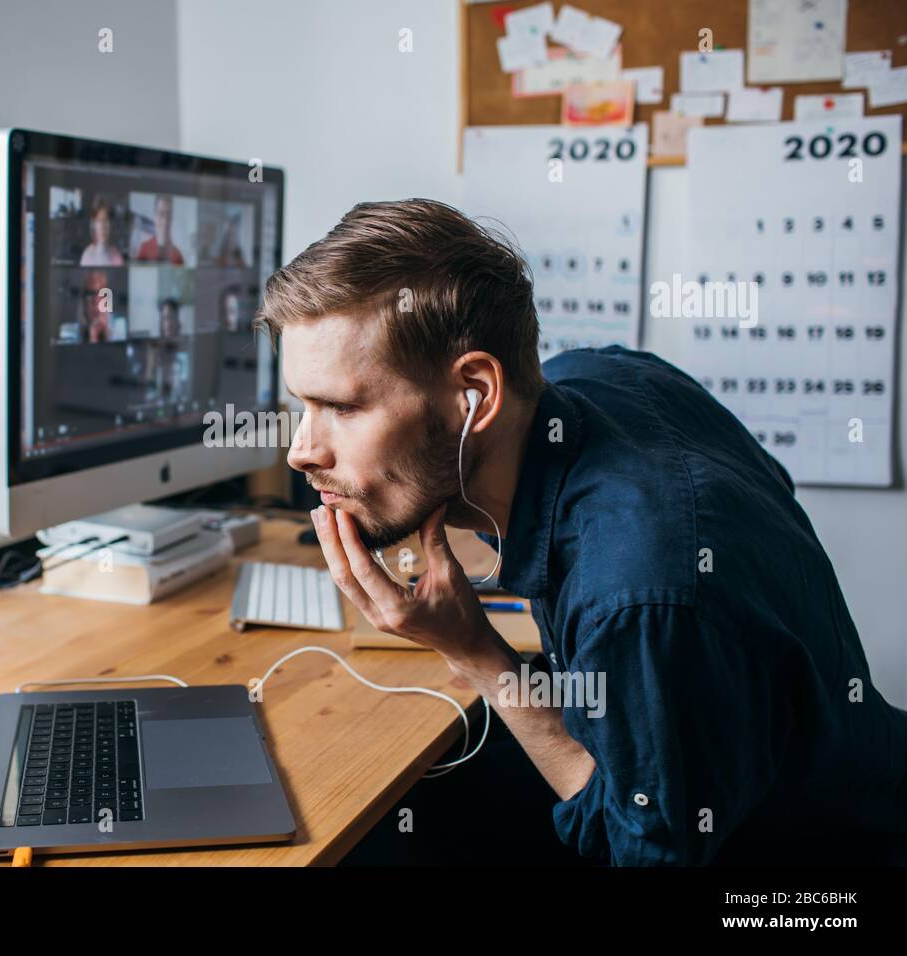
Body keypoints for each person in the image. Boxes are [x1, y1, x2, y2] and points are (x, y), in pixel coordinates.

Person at [255, 198, 907, 866]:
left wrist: (473, 650)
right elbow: (769, 481)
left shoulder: (637, 593)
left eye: (341, 407)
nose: (301, 451)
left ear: (475, 394)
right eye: (302, 405)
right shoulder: (599, 376)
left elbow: (644, 856)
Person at [136, 194, 185, 264]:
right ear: (154, 216)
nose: (165, 221)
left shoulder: (177, 255)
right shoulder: (144, 249)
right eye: (161, 214)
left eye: (169, 214)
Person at [79, 195, 125, 266]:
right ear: (93, 225)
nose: (102, 226)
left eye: (105, 220)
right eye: (98, 220)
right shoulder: (87, 256)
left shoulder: (116, 255)